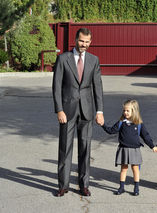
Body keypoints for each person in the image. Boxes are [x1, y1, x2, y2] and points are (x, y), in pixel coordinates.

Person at [52, 28, 104, 197]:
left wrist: (100, 111)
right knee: (65, 148)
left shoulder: (94, 60)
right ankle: (63, 185)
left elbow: (98, 87)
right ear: (76, 39)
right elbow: (56, 87)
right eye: (82, 41)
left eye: (87, 42)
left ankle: (84, 185)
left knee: (85, 149)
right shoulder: (63, 59)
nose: (84, 45)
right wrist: (59, 109)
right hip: (67, 111)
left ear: (91, 42)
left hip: (87, 111)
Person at [101, 100, 157, 196]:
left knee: (135, 168)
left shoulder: (139, 124)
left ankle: (136, 188)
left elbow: (146, 136)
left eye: (128, 111)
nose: (125, 112)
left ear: (134, 111)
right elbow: (111, 131)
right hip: (123, 149)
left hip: (135, 150)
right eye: (124, 110)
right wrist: (103, 125)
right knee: (123, 168)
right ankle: (121, 187)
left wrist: (152, 146)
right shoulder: (121, 122)